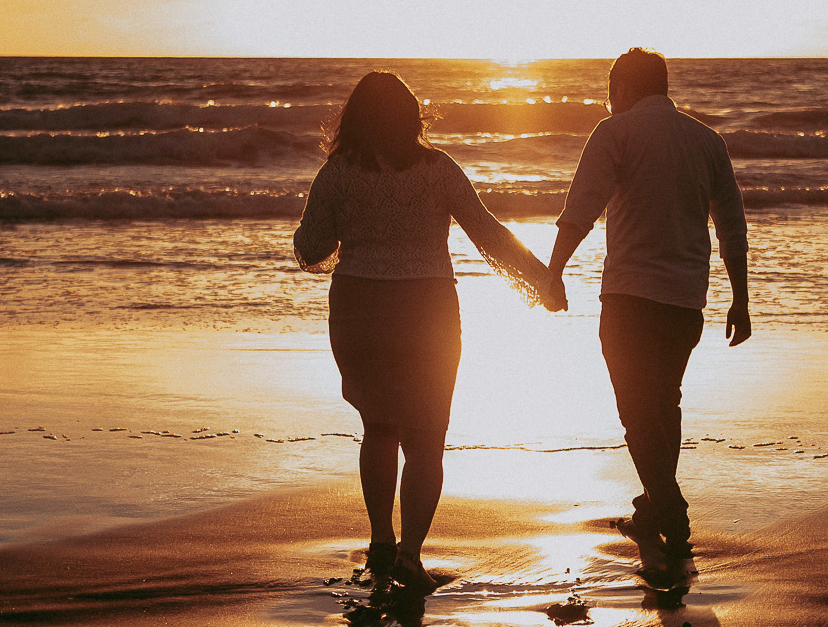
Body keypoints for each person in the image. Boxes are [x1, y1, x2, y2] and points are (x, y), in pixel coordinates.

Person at [294, 71, 560, 592]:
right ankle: (411, 557)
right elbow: (487, 232)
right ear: (412, 116)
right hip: (428, 311)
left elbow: (312, 248)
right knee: (427, 442)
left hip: (360, 309)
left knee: (378, 428)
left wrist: (331, 228)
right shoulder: (439, 170)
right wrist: (541, 280)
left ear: (357, 119)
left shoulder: (338, 173)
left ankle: (380, 543)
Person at [546, 48, 750, 572]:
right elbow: (732, 225)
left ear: (623, 87)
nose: (608, 100)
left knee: (637, 411)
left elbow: (582, 208)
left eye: (610, 89)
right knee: (663, 405)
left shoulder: (615, 133)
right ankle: (654, 506)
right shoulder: (707, 141)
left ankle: (671, 509)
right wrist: (741, 299)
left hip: (630, 297)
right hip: (685, 300)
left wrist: (554, 270)